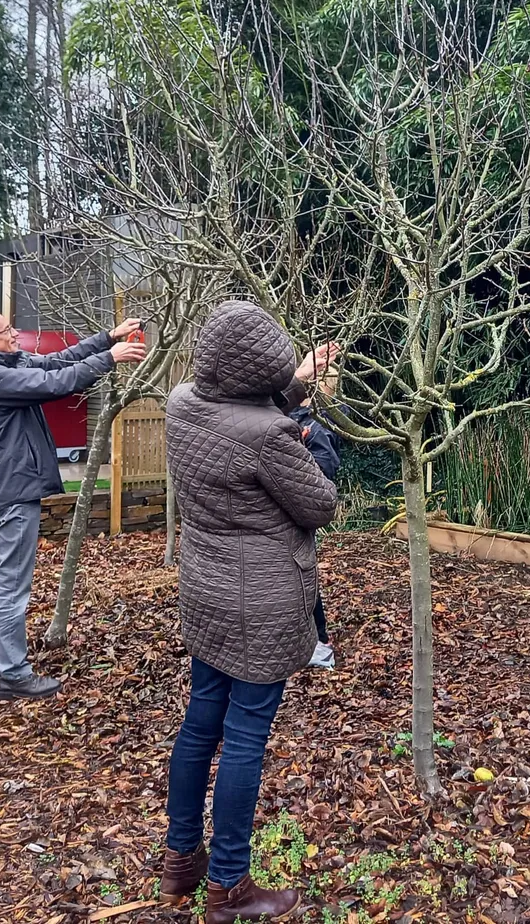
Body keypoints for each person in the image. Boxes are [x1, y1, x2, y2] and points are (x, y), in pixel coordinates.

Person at [160, 301, 339, 923]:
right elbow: (319, 504)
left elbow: (241, 407)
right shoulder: (270, 436)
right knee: (245, 741)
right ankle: (230, 886)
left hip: (205, 589)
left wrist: (295, 384)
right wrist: (316, 432)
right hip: (261, 601)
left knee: (200, 722)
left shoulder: (182, 402)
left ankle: (181, 858)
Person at [0, 312, 146, 700]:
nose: (14, 334)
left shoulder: (2, 361)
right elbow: (55, 382)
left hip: (13, 481)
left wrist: (108, 338)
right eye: (6, 331)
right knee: (12, 583)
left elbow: (60, 361)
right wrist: (111, 358)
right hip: (14, 485)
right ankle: (12, 673)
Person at [289, 369, 343, 669]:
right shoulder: (295, 414)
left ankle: (320, 643)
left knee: (303, 580)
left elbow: (325, 472)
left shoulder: (320, 425)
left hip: (300, 516)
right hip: (285, 515)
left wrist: (298, 452)